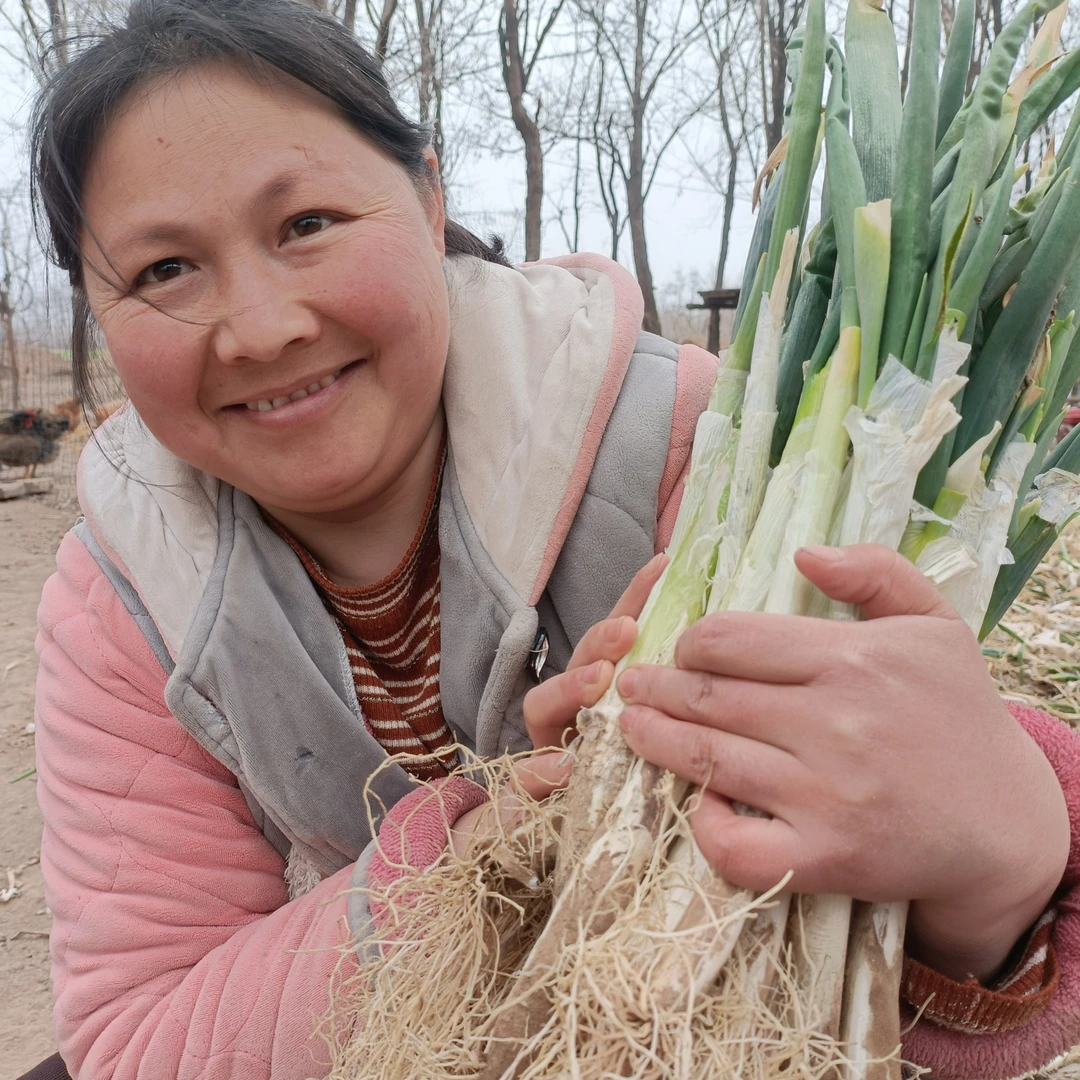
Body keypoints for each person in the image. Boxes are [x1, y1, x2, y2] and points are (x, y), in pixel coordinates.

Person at [18, 1, 1080, 1077]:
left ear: (428, 197)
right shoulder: (125, 596)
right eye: (163, 271)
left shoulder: (713, 452)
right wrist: (468, 862)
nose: (261, 328)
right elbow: (139, 1038)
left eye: (307, 225)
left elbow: (866, 942)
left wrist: (1002, 871)